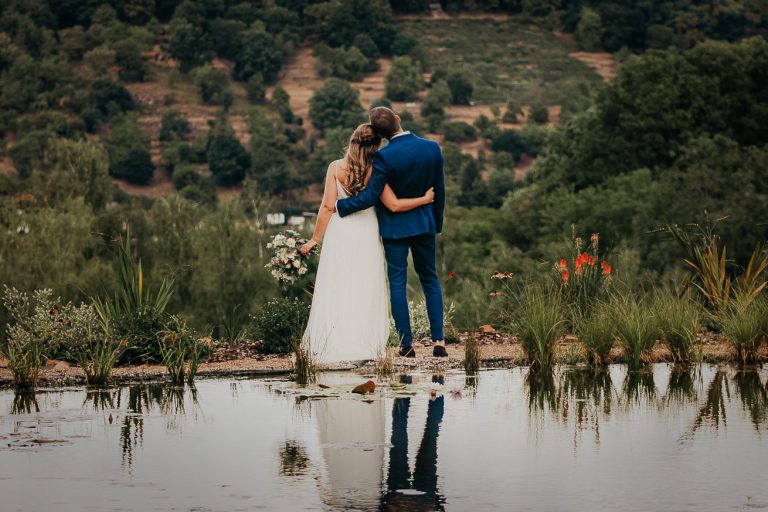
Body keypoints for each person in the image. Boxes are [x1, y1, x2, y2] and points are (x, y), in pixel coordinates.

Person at [299, 123, 434, 365]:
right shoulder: (375, 169)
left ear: (351, 141)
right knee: (366, 284)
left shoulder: (335, 168)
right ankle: (365, 341)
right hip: (367, 232)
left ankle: (330, 341)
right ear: (376, 147)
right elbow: (393, 204)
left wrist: (315, 238)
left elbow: (328, 207)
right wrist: (424, 199)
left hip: (340, 231)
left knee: (337, 284)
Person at [335, 107, 447, 358]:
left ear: (380, 133)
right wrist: (435, 223)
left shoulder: (383, 157)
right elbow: (439, 191)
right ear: (398, 119)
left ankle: (407, 345)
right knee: (430, 280)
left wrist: (340, 206)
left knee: (397, 284)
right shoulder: (431, 148)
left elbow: (371, 197)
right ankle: (439, 341)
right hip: (424, 224)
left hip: (395, 229)